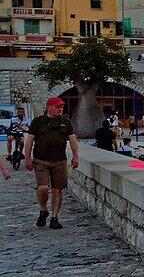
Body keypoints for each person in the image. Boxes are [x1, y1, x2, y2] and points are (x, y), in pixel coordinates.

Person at [24, 96, 79, 229]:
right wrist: (27, 158)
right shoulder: (38, 122)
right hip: (41, 160)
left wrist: (75, 156)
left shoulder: (65, 122)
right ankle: (43, 210)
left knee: (57, 190)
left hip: (59, 160)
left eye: (61, 107)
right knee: (42, 188)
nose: (60, 109)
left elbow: (72, 140)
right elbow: (30, 140)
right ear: (49, 107)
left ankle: (55, 217)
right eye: (57, 107)